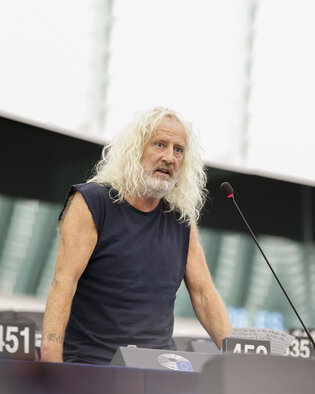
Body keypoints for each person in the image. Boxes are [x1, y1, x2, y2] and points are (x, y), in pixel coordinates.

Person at [40, 106, 232, 364]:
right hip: (93, 368)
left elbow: (204, 295)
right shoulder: (91, 202)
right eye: (160, 144)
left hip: (159, 371)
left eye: (178, 150)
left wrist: (238, 358)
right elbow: (64, 283)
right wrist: (51, 362)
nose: (169, 158)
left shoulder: (181, 220)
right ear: (135, 149)